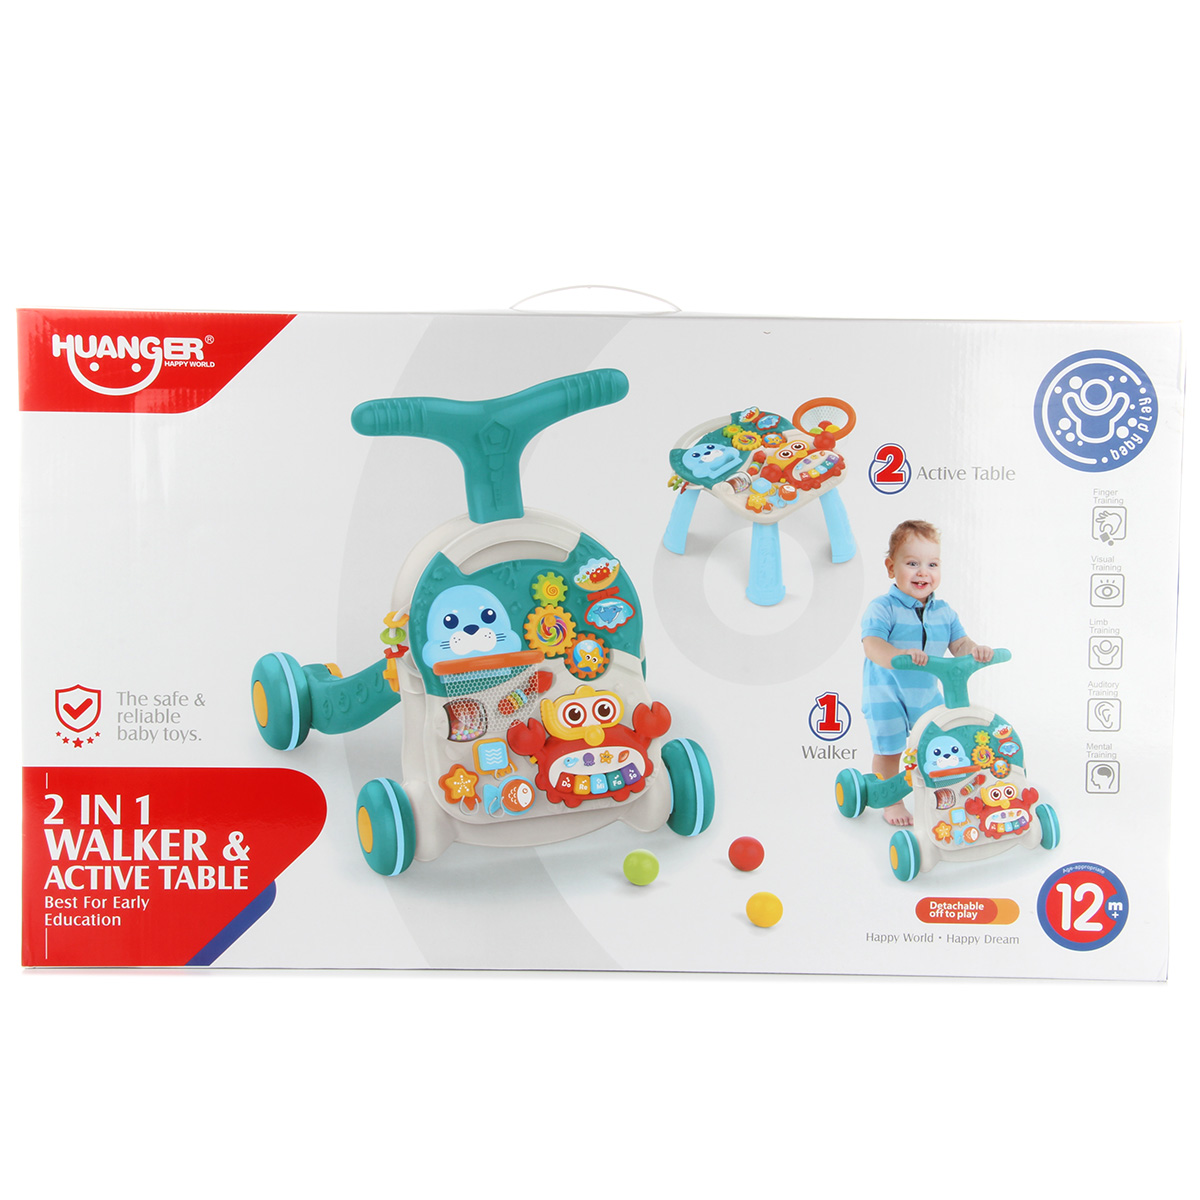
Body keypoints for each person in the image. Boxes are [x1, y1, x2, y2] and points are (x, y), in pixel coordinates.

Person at [861, 520, 992, 826]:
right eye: (912, 563)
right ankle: (892, 802)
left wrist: (975, 650)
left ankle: (945, 793)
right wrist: (898, 656)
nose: (923, 572)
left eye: (932, 564)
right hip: (886, 693)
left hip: (927, 694)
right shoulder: (883, 608)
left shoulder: (944, 612)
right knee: (890, 750)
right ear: (891, 567)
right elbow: (872, 645)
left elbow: (959, 644)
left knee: (942, 742)